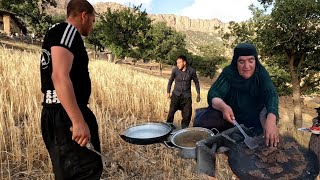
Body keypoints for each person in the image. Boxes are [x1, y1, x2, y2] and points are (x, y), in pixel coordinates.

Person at [40, 0, 103, 179]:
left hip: (57, 113)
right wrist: (78, 121)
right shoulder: (67, 32)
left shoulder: (56, 32)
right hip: (65, 116)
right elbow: (59, 76)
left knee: (69, 173)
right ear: (84, 15)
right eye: (92, 20)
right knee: (85, 171)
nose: (92, 26)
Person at [194, 43, 279, 147]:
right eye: (241, 61)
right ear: (235, 62)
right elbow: (213, 94)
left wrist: (271, 118)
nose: (247, 66)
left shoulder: (260, 73)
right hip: (231, 116)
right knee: (205, 120)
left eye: (251, 61)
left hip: (255, 117)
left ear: (255, 61)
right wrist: (223, 107)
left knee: (268, 126)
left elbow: (271, 94)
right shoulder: (229, 73)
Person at [166, 55, 201, 129]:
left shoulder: (192, 71)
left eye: (179, 62)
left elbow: (196, 82)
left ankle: (184, 129)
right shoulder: (175, 70)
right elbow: (170, 81)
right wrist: (168, 92)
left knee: (187, 114)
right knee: (171, 112)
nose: (177, 64)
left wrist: (198, 93)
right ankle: (168, 127)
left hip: (186, 96)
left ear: (184, 62)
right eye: (177, 63)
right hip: (176, 95)